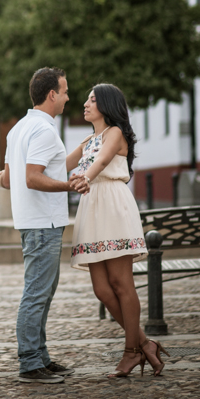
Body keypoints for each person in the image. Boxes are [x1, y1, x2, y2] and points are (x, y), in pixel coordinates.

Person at [67, 83, 169, 377]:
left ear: (107, 106)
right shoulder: (89, 139)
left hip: (112, 206)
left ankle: (130, 352)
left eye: (92, 100)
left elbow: (100, 162)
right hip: (92, 209)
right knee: (102, 290)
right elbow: (58, 165)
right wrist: (19, 169)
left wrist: (85, 176)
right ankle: (145, 344)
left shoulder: (115, 133)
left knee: (121, 283)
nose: (85, 104)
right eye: (86, 99)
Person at [0, 67, 77, 384]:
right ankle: (30, 363)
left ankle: (40, 356)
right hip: (43, 222)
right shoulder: (44, 130)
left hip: (35, 222)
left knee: (42, 292)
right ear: (52, 94)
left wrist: (82, 150)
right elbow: (32, 177)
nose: (69, 97)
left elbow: (7, 179)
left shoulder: (18, 129)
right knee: (35, 294)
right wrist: (70, 187)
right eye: (66, 91)